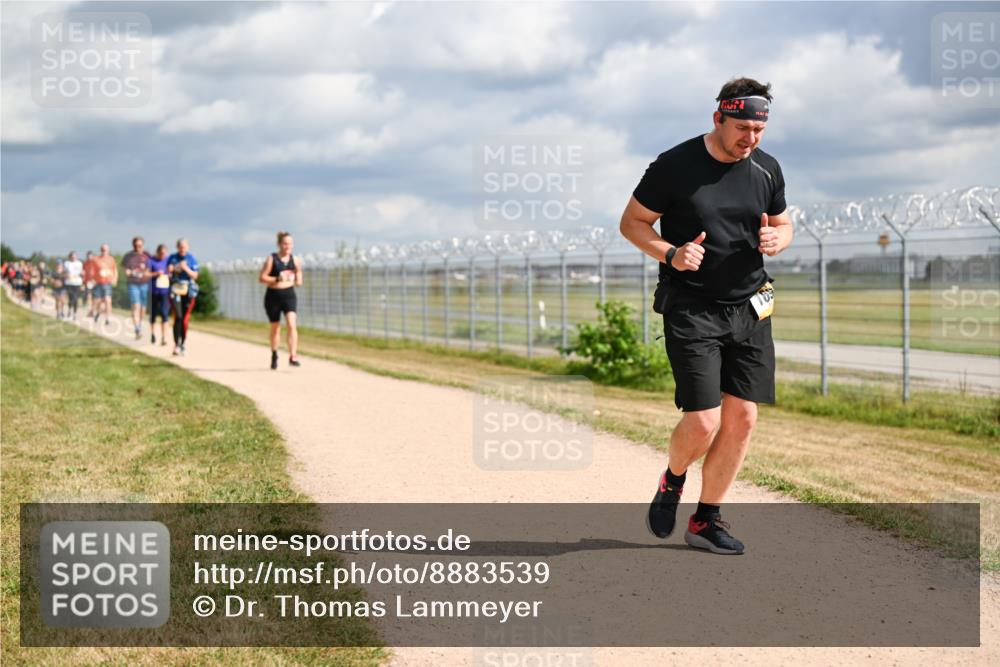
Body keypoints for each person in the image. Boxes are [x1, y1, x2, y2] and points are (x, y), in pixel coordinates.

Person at [620, 77, 793, 555]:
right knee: (702, 422)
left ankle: (705, 521)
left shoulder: (766, 168)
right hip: (692, 306)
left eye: (759, 129)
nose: (751, 139)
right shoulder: (674, 167)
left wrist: (782, 239)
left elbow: (783, 223)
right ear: (717, 118)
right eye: (742, 127)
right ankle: (673, 480)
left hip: (751, 305)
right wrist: (671, 253)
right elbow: (632, 222)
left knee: (744, 417)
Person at [258, 231, 303, 369]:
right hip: (273, 295)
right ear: (279, 244)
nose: (287, 246)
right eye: (285, 243)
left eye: (290, 243)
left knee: (291, 324)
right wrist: (277, 278)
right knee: (275, 328)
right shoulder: (272, 259)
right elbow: (262, 278)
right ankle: (274, 353)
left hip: (289, 295)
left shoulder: (295, 260)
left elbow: (299, 279)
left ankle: (293, 355)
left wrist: (296, 278)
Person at [167, 238, 199, 356]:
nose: (182, 249)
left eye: (184, 247)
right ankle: (176, 344)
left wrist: (185, 268)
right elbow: (169, 270)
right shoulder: (173, 258)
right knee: (178, 317)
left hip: (188, 291)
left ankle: (183, 343)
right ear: (177, 247)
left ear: (187, 247)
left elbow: (195, 275)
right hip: (175, 289)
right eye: (180, 247)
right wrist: (177, 267)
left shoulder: (191, 258)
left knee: (185, 319)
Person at [122, 236, 151, 340]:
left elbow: (149, 270)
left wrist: (145, 273)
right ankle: (137, 329)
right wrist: (128, 272)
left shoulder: (147, 255)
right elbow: (125, 271)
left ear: (142, 245)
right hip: (132, 284)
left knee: (143, 307)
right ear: (133, 245)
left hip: (144, 284)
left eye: (140, 245)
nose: (138, 247)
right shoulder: (128, 256)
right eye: (136, 245)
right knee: (136, 306)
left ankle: (140, 324)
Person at [147, 244, 171, 346]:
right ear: (158, 252)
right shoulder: (151, 261)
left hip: (165, 292)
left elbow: (171, 273)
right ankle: (152, 334)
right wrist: (156, 273)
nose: (163, 255)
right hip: (153, 291)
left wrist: (169, 274)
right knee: (153, 314)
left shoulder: (168, 261)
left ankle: (164, 337)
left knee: (164, 314)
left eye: (164, 253)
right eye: (161, 253)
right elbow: (146, 274)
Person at [91, 244, 117, 325]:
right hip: (98, 283)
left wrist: (115, 279)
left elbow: (115, 270)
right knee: (99, 302)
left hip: (107, 283)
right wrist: (92, 279)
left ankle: (107, 319)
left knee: (108, 300)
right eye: (102, 250)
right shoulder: (95, 259)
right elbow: (92, 271)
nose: (104, 251)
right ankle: (98, 313)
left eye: (105, 250)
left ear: (108, 250)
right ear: (100, 250)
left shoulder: (111, 259)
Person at [63, 251, 84, 318]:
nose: (73, 258)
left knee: (75, 298)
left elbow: (82, 273)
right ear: (70, 257)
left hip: (77, 283)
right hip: (69, 283)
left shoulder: (79, 263)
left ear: (77, 257)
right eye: (72, 256)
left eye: (75, 256)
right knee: (70, 297)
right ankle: (69, 310)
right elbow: (64, 272)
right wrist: (66, 275)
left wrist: (83, 283)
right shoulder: (67, 263)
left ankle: (74, 313)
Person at [83, 250, 97, 318]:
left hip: (95, 283)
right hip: (88, 283)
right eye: (88, 256)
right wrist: (83, 283)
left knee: (95, 298)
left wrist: (96, 280)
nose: (89, 257)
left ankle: (92, 311)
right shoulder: (85, 264)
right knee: (89, 297)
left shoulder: (96, 263)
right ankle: (89, 311)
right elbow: (83, 273)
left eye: (90, 256)